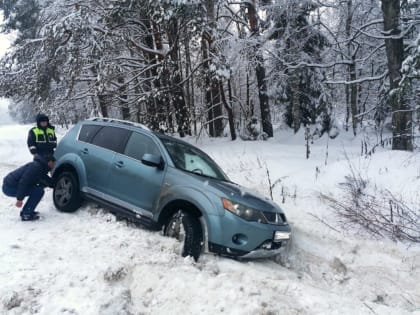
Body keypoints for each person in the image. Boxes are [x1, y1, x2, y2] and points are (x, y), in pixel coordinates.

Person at [2, 155, 55, 221]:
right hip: (9, 187)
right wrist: (20, 199)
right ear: (49, 162)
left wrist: (55, 184)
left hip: (12, 185)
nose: (54, 166)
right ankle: (26, 214)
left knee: (38, 189)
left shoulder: (40, 167)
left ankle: (26, 212)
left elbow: (45, 179)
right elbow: (24, 182)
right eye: (53, 164)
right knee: (38, 191)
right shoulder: (36, 167)